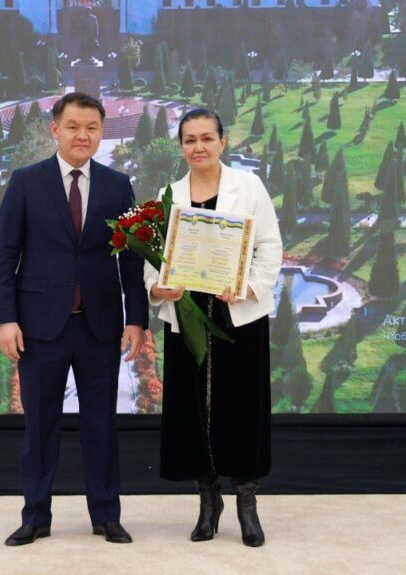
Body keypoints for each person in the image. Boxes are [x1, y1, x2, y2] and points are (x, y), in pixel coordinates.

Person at [0, 92, 148, 546]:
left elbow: (132, 258)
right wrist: (6, 319)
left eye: (92, 128)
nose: (83, 135)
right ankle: (35, 517)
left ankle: (106, 515)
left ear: (101, 132)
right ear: (55, 129)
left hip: (100, 326)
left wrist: (136, 319)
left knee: (101, 426)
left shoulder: (118, 186)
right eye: (74, 126)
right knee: (40, 428)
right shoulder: (26, 182)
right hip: (40, 328)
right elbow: (5, 255)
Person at [145, 108, 283, 547]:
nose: (199, 147)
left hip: (238, 316)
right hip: (186, 316)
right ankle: (208, 500)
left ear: (223, 142)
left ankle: (246, 502)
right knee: (191, 409)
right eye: (190, 140)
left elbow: (270, 247)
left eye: (207, 138)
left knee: (242, 407)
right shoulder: (169, 194)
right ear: (181, 146)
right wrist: (158, 287)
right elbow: (153, 258)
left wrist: (249, 287)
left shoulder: (249, 187)